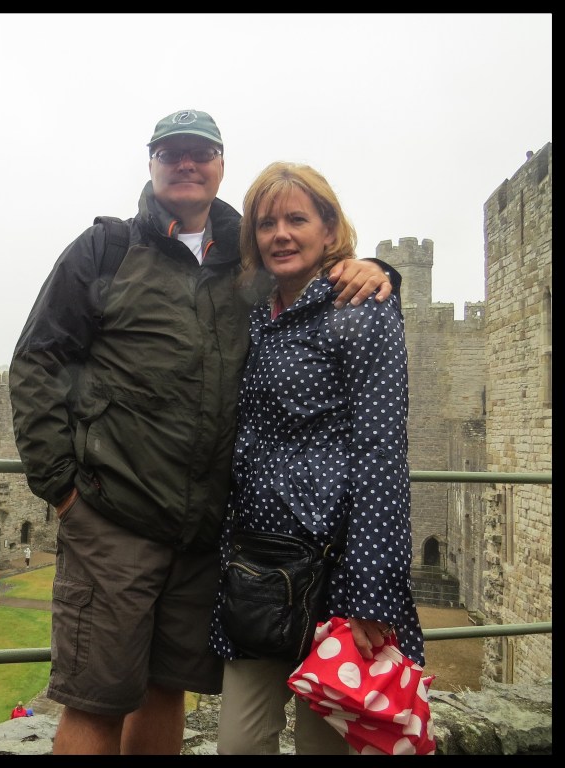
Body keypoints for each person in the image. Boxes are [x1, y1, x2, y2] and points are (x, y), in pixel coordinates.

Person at [8, 109, 397, 755]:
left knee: (166, 691)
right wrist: (62, 490)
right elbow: (37, 362)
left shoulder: (246, 259)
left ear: (219, 164)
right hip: (115, 518)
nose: (185, 164)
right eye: (171, 153)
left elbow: (314, 275)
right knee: (96, 701)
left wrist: (377, 267)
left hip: (203, 536)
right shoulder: (104, 248)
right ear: (152, 162)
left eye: (200, 152)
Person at [208, 161, 424, 755]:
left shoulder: (361, 308)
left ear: (329, 230)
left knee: (322, 748)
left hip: (335, 569)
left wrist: (372, 591)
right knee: (240, 744)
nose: (280, 233)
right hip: (258, 566)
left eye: (297, 219)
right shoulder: (255, 317)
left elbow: (383, 452)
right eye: (267, 222)